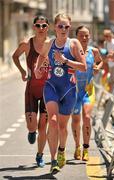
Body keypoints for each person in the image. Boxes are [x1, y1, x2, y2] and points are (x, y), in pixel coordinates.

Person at [35, 13, 87, 173]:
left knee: (63, 127)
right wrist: (38, 69)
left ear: (69, 28)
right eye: (60, 26)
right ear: (55, 27)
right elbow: (42, 56)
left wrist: (65, 60)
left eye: (66, 26)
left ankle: (62, 150)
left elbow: (83, 67)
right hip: (51, 86)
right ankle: (53, 160)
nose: (63, 29)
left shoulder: (74, 44)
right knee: (53, 121)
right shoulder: (49, 43)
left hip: (69, 90)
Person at [12, 15, 49, 167]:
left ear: (48, 27)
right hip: (31, 89)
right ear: (34, 27)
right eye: (38, 25)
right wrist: (22, 71)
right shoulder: (26, 44)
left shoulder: (52, 44)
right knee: (32, 126)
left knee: (43, 126)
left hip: (48, 91)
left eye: (44, 25)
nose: (41, 29)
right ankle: (31, 131)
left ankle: (40, 155)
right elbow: (15, 56)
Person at [71, 25, 103, 161]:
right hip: (74, 91)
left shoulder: (94, 51)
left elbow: (100, 61)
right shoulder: (72, 52)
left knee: (87, 117)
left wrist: (97, 67)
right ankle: (77, 146)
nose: (84, 38)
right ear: (76, 37)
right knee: (76, 119)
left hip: (88, 90)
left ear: (89, 36)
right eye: (81, 35)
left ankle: (86, 148)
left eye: (86, 35)